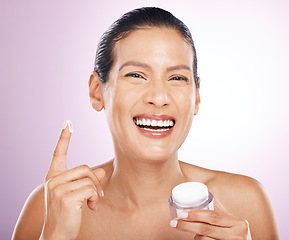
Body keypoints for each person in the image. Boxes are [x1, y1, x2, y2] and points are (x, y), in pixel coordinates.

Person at [12, 7, 279, 240]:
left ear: (196, 97)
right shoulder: (48, 207)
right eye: (136, 75)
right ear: (97, 91)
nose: (159, 98)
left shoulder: (246, 203)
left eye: (177, 78)